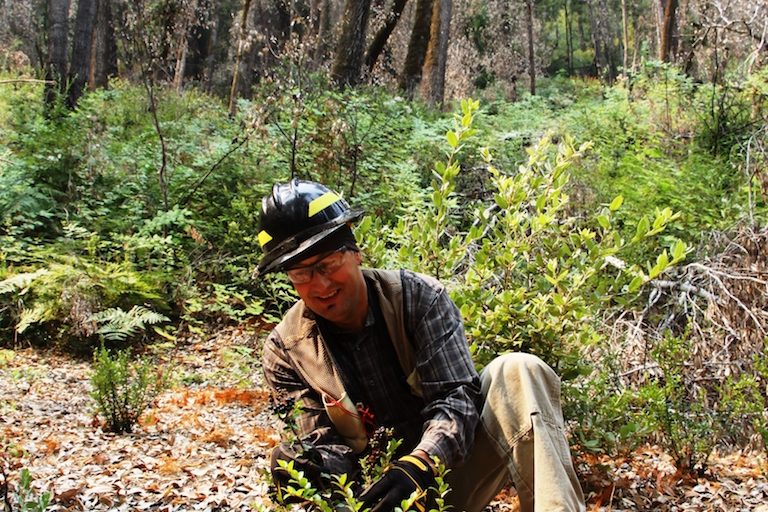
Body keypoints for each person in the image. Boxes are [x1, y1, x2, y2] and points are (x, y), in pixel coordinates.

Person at [258, 179, 586, 512]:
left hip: (447, 478)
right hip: (371, 500)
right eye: (301, 274)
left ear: (355, 253)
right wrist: (328, 473)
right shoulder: (286, 350)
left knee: (519, 370)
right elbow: (320, 444)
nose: (320, 284)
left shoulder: (418, 299)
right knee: (288, 457)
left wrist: (420, 463)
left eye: (327, 265)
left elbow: (457, 398)